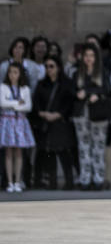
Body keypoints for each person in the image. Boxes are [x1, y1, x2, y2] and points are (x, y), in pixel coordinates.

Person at [71, 44, 111, 191]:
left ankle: (98, 179)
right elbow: (72, 90)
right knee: (83, 147)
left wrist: (92, 93)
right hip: (82, 113)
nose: (89, 59)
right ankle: (85, 179)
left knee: (98, 147)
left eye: (92, 55)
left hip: (98, 114)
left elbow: (107, 89)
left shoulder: (102, 73)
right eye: (86, 55)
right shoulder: (77, 74)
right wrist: (83, 93)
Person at [32, 58, 77, 189]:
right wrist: (43, 114)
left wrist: (58, 114)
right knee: (49, 153)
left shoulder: (66, 84)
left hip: (61, 123)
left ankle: (69, 183)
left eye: (51, 66)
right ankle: (52, 183)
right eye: (46, 67)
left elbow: (70, 102)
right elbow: (36, 103)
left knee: (64, 153)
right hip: (46, 123)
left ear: (58, 67)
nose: (48, 69)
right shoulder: (41, 84)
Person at [1, 61, 35, 192]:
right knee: (8, 152)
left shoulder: (25, 89)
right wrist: (17, 103)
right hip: (7, 121)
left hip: (20, 122)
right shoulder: (3, 87)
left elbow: (28, 106)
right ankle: (10, 182)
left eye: (15, 72)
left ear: (20, 74)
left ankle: (17, 181)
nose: (12, 75)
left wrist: (12, 103)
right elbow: (2, 103)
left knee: (19, 152)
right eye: (10, 72)